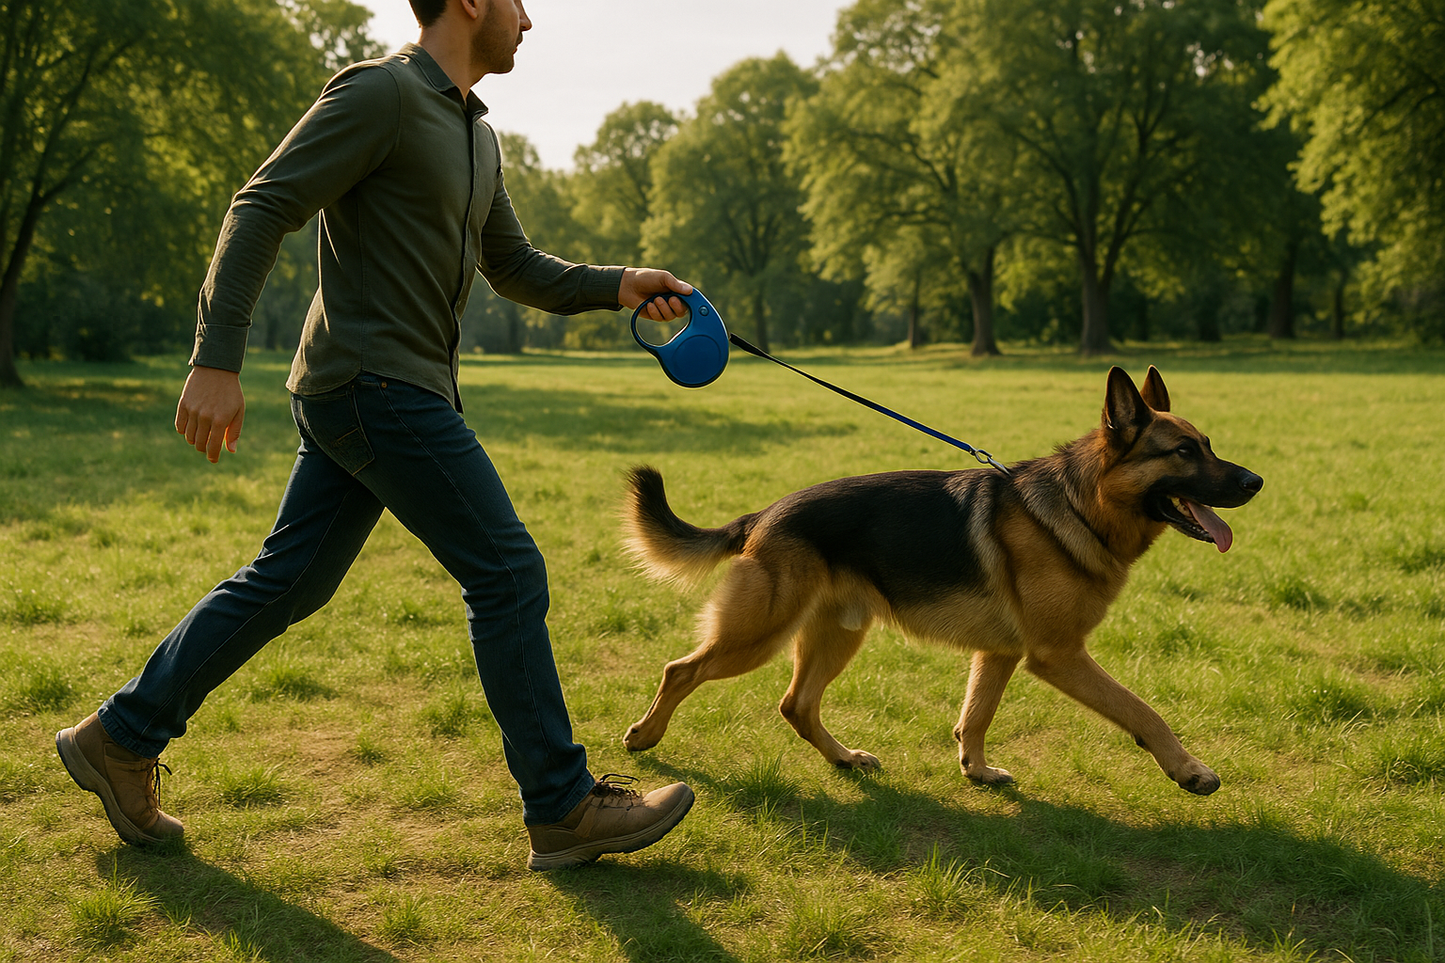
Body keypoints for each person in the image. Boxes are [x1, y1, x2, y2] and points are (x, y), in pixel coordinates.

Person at [55, 0, 696, 872]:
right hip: (375, 383)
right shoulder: (381, 94)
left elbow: (511, 265)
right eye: (517, 1)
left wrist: (621, 282)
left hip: (380, 388)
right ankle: (561, 802)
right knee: (506, 571)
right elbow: (262, 204)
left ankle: (120, 736)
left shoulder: (475, 132)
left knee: (290, 581)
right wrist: (215, 357)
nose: (530, 20)